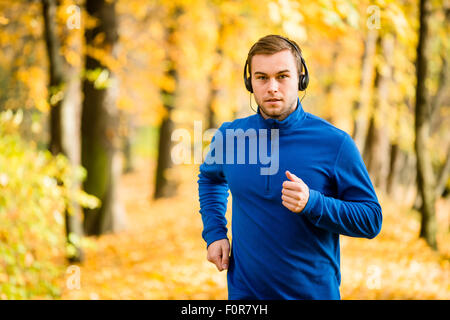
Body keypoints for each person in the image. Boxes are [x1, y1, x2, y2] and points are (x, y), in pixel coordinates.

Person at [197, 34, 382, 300]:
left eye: (282, 76)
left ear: (300, 79)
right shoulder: (230, 136)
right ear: (250, 83)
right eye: (261, 77)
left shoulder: (334, 143)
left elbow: (371, 219)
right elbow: (211, 179)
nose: (272, 87)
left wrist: (313, 203)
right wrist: (215, 233)